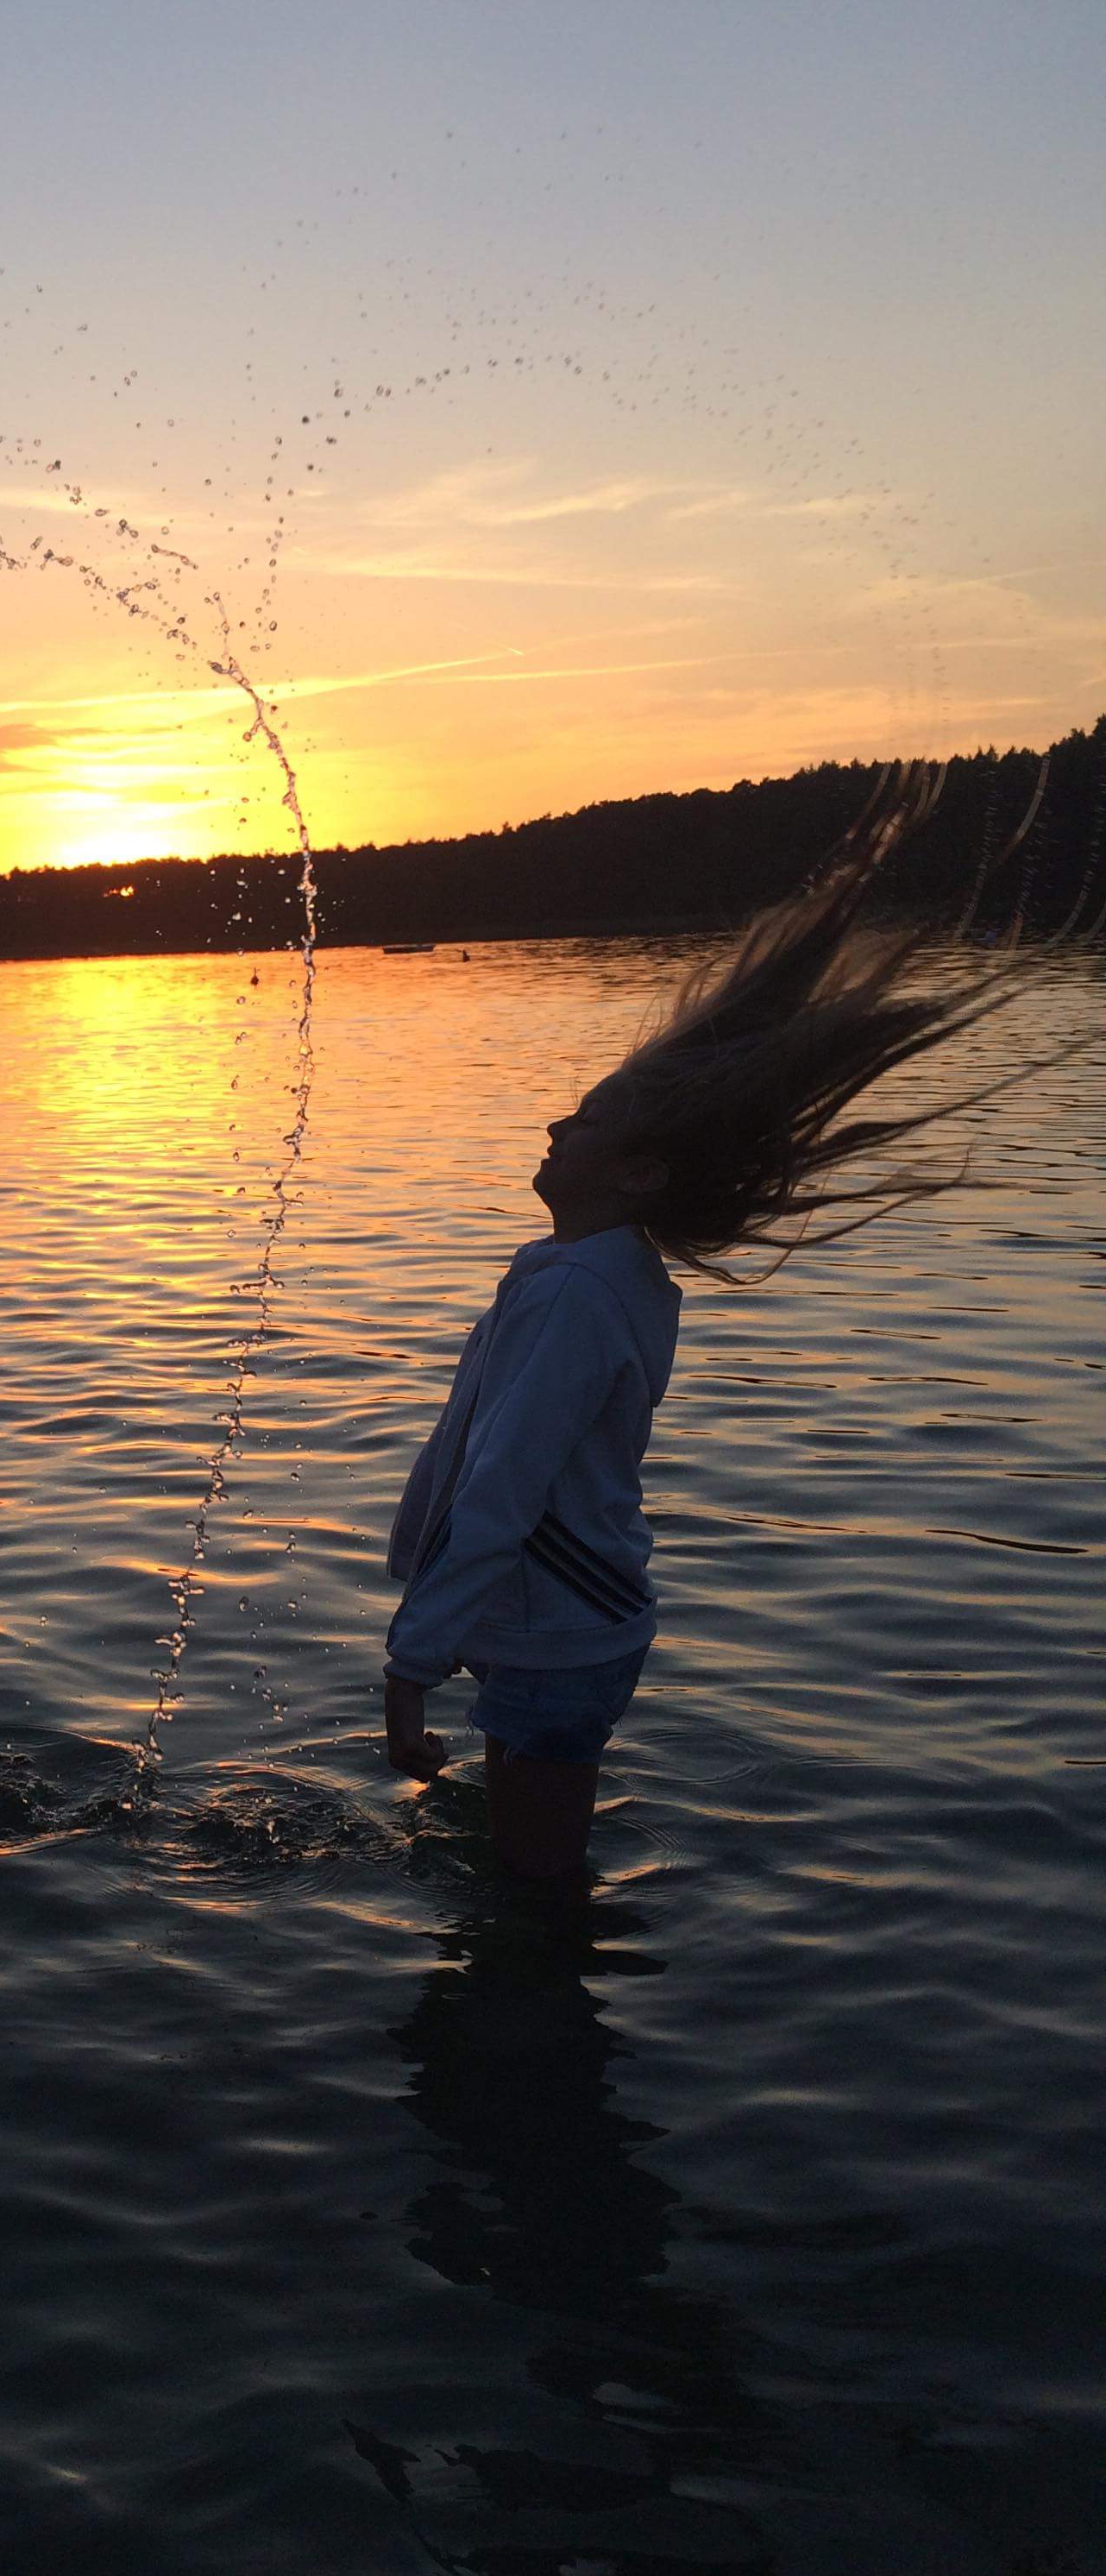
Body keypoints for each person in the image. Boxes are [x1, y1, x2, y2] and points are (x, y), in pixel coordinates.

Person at [380, 791, 1046, 1901]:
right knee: (519, 1868)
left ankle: (546, 1998)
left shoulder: (577, 1295)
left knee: (537, 1894)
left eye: (585, 1120)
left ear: (640, 1172)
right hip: (564, 1626)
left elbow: (504, 1485)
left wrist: (412, 1663)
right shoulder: (598, 1276)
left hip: (557, 1635)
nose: (555, 1127)